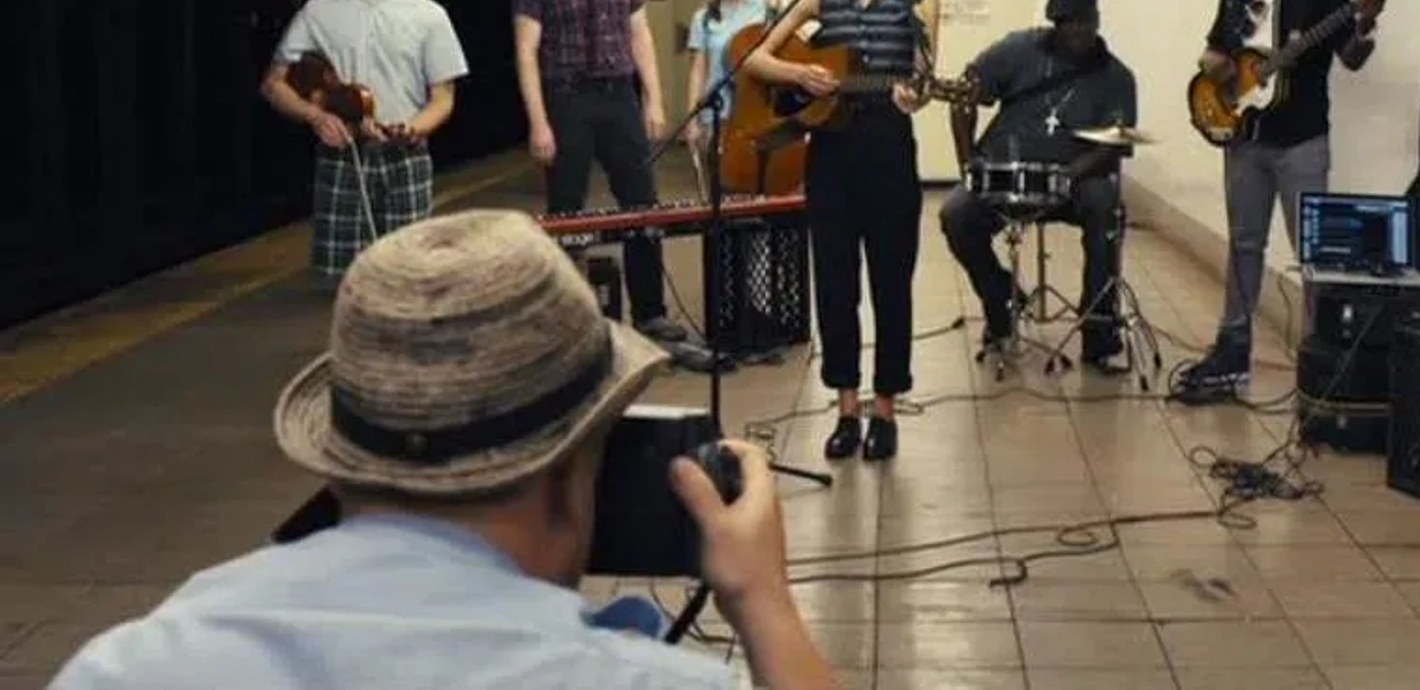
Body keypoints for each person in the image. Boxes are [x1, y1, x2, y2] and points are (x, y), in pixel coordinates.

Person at [47, 209, 836, 690]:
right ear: (568, 472)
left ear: (338, 454)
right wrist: (765, 602)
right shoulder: (635, 676)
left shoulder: (125, 664)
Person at [1170, 0, 1385, 404]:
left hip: (1302, 139)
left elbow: (1352, 59)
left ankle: (1319, 357)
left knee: (1315, 252)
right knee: (1244, 245)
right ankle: (1231, 348)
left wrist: (1365, 23)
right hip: (1243, 135)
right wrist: (1214, 69)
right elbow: (1216, 50)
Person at [741, 0, 940, 463]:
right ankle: (846, 407)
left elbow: (926, 79)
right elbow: (755, 55)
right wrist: (800, 76)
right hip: (830, 150)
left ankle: (886, 409)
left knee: (890, 283)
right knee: (834, 282)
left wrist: (914, 96)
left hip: (887, 145)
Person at [512, 0, 687, 345]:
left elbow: (639, 34)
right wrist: (539, 123)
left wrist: (653, 98)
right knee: (567, 211)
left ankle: (650, 312)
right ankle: (567, 314)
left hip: (619, 98)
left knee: (642, 206)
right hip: (566, 99)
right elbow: (526, 49)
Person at [260, 0, 469, 282]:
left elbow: (443, 99)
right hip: (343, 155)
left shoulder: (429, 15)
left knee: (410, 278)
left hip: (404, 157)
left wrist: (415, 127)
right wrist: (315, 116)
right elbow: (273, 83)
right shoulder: (318, 11)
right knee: (344, 282)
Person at [940, 0, 1137, 374]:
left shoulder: (1116, 77)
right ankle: (1001, 298)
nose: (1074, 32)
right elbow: (965, 92)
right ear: (1054, 24)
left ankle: (1098, 328)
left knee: (1107, 206)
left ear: (1096, 20)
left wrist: (1071, 173)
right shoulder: (1019, 49)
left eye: (1082, 22)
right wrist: (968, 163)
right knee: (956, 213)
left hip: (1074, 183)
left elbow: (1115, 146)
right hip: (1005, 174)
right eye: (1064, 24)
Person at [682, 0, 769, 172]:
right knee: (719, 186)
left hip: (753, 109)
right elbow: (697, 71)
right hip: (717, 112)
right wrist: (692, 119)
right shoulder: (704, 16)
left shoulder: (764, 12)